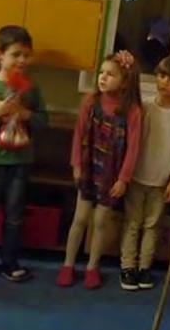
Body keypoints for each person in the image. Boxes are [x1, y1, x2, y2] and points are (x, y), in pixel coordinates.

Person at [0, 25, 49, 284]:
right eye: (16, 54)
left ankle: (9, 261)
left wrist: (25, 114)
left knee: (15, 215)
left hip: (20, 161)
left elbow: (43, 122)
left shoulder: (32, 90)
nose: (22, 60)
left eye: (26, 55)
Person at [56, 50, 143, 289]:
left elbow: (133, 148)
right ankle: (68, 264)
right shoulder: (90, 102)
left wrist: (123, 179)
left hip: (110, 173)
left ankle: (93, 266)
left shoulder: (132, 111)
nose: (103, 78)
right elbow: (79, 134)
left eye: (110, 74)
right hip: (88, 167)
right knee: (80, 218)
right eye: (101, 73)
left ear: (125, 81)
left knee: (101, 221)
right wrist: (76, 165)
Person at [119, 54, 170, 291]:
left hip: (162, 181)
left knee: (153, 225)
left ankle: (144, 267)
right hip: (137, 175)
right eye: (162, 76)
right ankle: (127, 266)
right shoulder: (146, 107)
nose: (164, 82)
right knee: (132, 222)